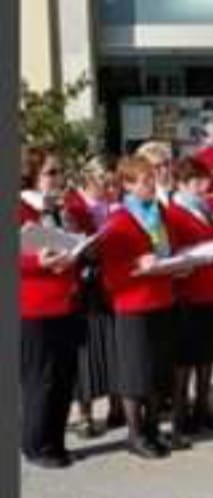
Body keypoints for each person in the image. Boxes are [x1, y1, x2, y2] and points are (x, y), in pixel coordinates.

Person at [98, 156, 179, 460]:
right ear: (127, 185)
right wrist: (136, 264)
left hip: (162, 298)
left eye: (152, 178)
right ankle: (135, 434)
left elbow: (168, 248)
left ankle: (153, 427)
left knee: (158, 369)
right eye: (144, 180)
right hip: (133, 305)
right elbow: (111, 275)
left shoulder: (158, 215)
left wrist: (179, 262)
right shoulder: (118, 221)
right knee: (136, 372)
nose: (151, 185)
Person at [20, 147, 83, 469]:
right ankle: (35, 445)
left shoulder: (60, 208)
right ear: (32, 175)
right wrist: (36, 261)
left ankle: (55, 441)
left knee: (63, 376)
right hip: (34, 306)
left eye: (60, 171)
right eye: (51, 172)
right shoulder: (20, 208)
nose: (58, 178)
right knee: (41, 379)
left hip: (66, 301)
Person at [166, 157, 213, 439]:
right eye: (196, 181)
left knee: (208, 354)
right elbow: (172, 249)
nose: (204, 185)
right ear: (181, 184)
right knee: (185, 359)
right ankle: (180, 414)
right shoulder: (173, 212)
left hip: (212, 289)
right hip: (188, 293)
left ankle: (203, 407)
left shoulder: (206, 209)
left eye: (205, 180)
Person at [64, 156, 122, 439]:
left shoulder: (115, 205)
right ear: (91, 180)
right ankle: (85, 413)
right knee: (86, 350)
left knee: (113, 344)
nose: (111, 187)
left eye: (113, 182)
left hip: (111, 282)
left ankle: (116, 405)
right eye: (105, 182)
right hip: (85, 285)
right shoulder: (74, 207)